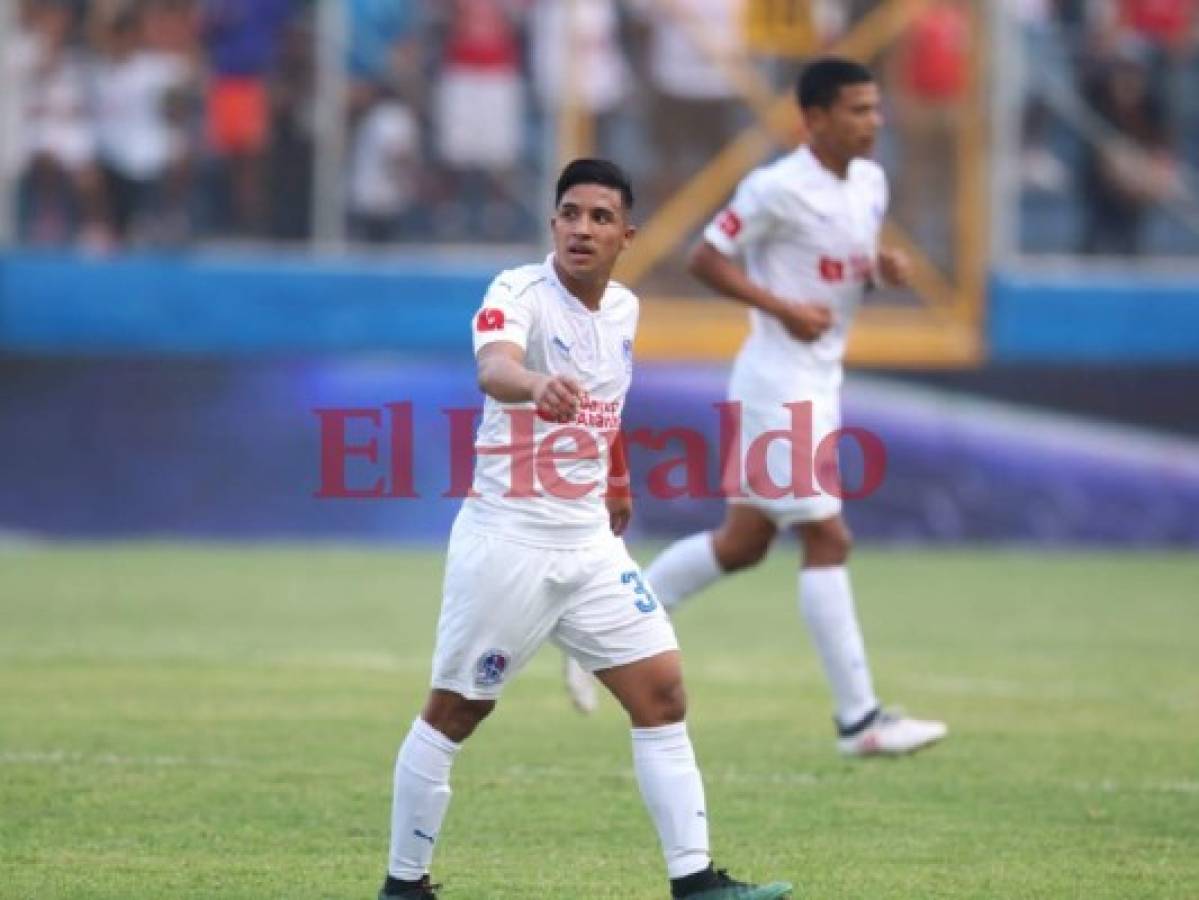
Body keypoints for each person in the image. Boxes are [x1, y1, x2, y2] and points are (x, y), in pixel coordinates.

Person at [379, 159, 793, 900]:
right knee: (455, 711)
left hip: (589, 547)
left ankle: (694, 883)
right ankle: (402, 886)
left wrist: (618, 476)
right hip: (509, 539)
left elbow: (606, 403)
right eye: (570, 213)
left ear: (625, 235)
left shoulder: (624, 310)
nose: (582, 228)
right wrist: (536, 384)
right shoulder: (517, 292)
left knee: (661, 691)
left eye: (600, 218)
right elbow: (493, 369)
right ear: (553, 224)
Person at [567, 60, 947, 758]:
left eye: (875, 107)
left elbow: (839, 268)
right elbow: (704, 258)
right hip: (779, 382)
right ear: (814, 118)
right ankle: (858, 722)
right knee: (828, 539)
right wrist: (779, 308)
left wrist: (879, 272)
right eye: (858, 110)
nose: (874, 121)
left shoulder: (869, 181)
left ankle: (605, 625)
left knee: (742, 543)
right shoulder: (775, 188)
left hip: (817, 379)